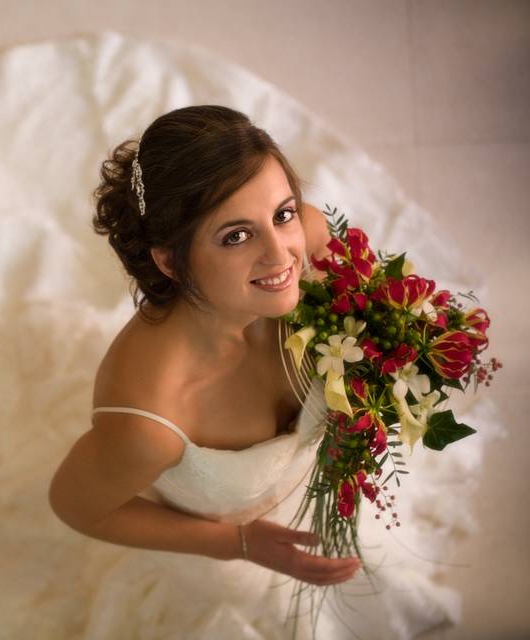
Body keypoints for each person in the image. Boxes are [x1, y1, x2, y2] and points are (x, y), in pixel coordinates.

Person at [48, 105, 362, 589]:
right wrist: (241, 542)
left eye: (281, 214)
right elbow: (78, 509)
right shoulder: (150, 420)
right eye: (236, 235)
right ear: (170, 261)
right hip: (224, 537)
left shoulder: (313, 243)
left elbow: (367, 322)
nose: (282, 256)